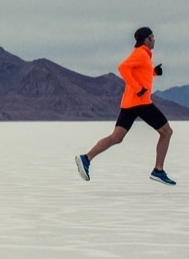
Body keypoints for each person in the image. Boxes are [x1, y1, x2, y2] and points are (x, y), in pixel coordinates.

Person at [75, 27, 176, 185]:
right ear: (146, 40)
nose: (155, 40)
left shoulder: (143, 55)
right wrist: (138, 88)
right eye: (152, 37)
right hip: (141, 102)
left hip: (130, 103)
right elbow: (122, 67)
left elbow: (139, 72)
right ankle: (158, 170)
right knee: (166, 132)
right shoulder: (141, 54)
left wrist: (153, 72)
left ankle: (86, 158)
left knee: (116, 137)